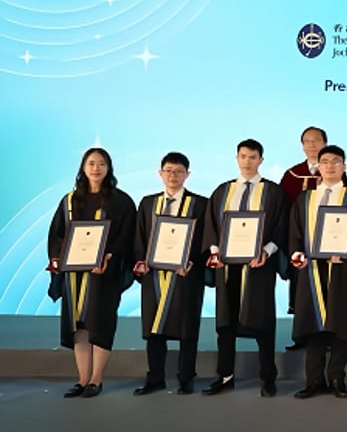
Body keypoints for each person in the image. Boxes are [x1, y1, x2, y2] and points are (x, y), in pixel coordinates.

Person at [201, 139, 289, 397]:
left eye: (252, 157)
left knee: (262, 323)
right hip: (227, 268)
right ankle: (225, 375)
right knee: (226, 324)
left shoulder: (273, 192)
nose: (247, 161)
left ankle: (268, 377)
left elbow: (281, 228)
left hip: (258, 266)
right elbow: (211, 227)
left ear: (261, 159)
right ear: (236, 158)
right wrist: (216, 252)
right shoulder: (223, 191)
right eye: (243, 156)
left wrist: (266, 251)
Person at [46, 148, 136, 398]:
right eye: (91, 163)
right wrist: (56, 258)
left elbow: (127, 236)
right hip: (73, 276)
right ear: (83, 168)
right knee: (79, 327)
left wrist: (109, 255)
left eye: (101, 164)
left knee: (100, 325)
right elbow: (57, 234)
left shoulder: (121, 201)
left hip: (103, 274)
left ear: (109, 168)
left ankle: (97, 379)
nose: (96, 168)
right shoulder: (70, 201)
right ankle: (82, 379)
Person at [289, 145, 347, 399]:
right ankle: (314, 380)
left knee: (339, 327)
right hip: (312, 272)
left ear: (344, 166)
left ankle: (337, 378)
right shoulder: (305, 199)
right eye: (325, 161)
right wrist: (296, 254)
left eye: (336, 162)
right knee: (313, 326)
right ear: (318, 166)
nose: (330, 166)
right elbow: (295, 232)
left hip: (342, 271)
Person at [131, 152, 208, 396]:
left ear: (188, 174)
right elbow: (139, 237)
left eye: (178, 171)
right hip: (154, 276)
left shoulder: (200, 204)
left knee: (187, 328)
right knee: (154, 329)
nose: (173, 175)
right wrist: (140, 261)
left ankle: (186, 377)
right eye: (168, 170)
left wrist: (193, 262)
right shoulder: (147, 203)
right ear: (160, 173)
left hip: (185, 274)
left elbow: (206, 240)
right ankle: (155, 377)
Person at [279, 126, 328, 351]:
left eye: (316, 141)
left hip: (327, 242)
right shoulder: (292, 175)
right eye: (307, 141)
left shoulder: (333, 170)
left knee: (326, 288)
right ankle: (300, 336)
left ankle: (326, 336)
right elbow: (282, 209)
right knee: (300, 290)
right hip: (300, 241)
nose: (311, 145)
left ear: (324, 143)